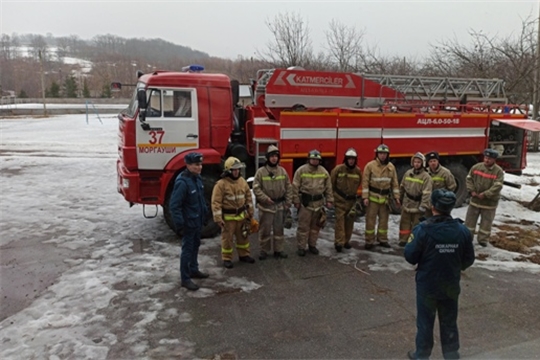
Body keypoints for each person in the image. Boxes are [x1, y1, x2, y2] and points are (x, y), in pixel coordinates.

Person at [404, 189, 475, 360]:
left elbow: (410, 256)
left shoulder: (422, 230)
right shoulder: (463, 231)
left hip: (428, 286)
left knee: (425, 323)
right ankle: (451, 356)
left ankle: (422, 355)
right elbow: (468, 259)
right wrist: (453, 266)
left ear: (433, 206)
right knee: (449, 322)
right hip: (450, 285)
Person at [169, 152, 209, 291]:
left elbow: (200, 200)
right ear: (188, 165)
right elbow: (174, 206)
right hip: (188, 223)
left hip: (197, 221)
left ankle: (193, 269)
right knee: (187, 250)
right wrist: (179, 225)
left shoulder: (196, 179)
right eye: (196, 165)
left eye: (200, 164)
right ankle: (185, 278)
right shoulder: (182, 182)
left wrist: (205, 215)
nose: (199, 167)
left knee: (195, 246)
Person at [211, 156, 256, 268]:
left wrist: (250, 212)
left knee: (243, 238)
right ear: (228, 170)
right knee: (227, 239)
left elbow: (248, 198)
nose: (236, 172)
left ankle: (244, 255)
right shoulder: (221, 184)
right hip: (228, 218)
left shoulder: (242, 182)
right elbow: (216, 202)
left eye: (238, 169)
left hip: (241, 217)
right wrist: (218, 219)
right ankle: (227, 258)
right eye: (234, 170)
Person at [253, 145, 293, 260]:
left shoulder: (282, 171)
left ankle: (278, 250)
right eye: (272, 156)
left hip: (280, 206)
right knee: (265, 230)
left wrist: (288, 202)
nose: (274, 159)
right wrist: (265, 198)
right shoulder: (261, 172)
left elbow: (288, 187)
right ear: (267, 158)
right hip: (266, 207)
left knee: (279, 230)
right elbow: (256, 188)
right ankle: (264, 251)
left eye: (276, 156)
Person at [292, 150, 334, 256]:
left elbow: (328, 188)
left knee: (315, 227)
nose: (315, 161)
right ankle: (301, 247)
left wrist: (329, 200)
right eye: (313, 159)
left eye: (317, 159)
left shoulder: (324, 172)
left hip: (318, 204)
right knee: (303, 227)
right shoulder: (301, 170)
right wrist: (296, 201)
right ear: (309, 159)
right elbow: (295, 186)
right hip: (305, 204)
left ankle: (312, 245)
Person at [361, 144, 400, 249]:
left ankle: (382, 239)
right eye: (381, 153)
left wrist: (397, 197)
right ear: (377, 154)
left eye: (385, 154)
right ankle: (369, 241)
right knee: (370, 220)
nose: (383, 156)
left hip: (385, 199)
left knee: (384, 221)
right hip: (372, 198)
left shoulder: (391, 167)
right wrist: (365, 197)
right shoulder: (370, 166)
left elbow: (395, 184)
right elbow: (365, 183)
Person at [464, 148, 504, 247]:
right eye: (486, 158)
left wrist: (486, 194)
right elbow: (469, 179)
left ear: (494, 160)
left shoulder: (498, 171)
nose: (487, 160)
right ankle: (467, 238)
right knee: (469, 222)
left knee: (486, 223)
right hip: (475, 202)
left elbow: (497, 186)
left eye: (489, 159)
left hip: (489, 203)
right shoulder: (476, 167)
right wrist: (471, 190)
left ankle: (483, 240)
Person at [330, 148, 362, 252]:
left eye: (353, 159)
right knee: (340, 222)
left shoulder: (358, 171)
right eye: (349, 159)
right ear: (346, 159)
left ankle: (346, 241)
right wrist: (332, 197)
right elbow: (332, 183)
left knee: (349, 223)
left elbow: (359, 183)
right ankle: (339, 243)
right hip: (340, 199)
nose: (351, 161)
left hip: (351, 201)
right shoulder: (338, 169)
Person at [399, 152, 433, 247]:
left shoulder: (426, 177)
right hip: (407, 202)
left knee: (416, 225)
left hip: (418, 204)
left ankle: (414, 242)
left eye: (419, 162)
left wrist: (424, 205)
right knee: (404, 223)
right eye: (415, 162)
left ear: (423, 163)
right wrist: (399, 198)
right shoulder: (408, 173)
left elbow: (427, 193)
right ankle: (403, 239)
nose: (416, 164)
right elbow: (402, 186)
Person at [425, 151, 456, 218]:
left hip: (440, 205)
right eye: (431, 161)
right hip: (428, 203)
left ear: (438, 161)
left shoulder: (445, 173)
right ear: (428, 163)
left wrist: (444, 199)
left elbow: (452, 187)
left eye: (434, 161)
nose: (433, 163)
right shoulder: (425, 172)